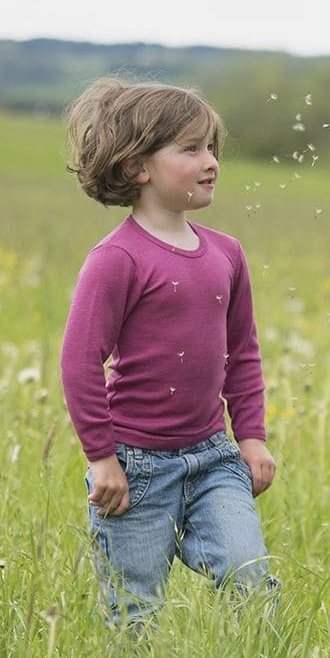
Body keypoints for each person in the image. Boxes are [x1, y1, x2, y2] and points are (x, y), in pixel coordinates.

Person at [60, 77, 280, 629]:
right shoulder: (117, 260)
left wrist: (250, 437)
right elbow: (79, 362)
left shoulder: (227, 254)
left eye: (212, 149)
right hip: (134, 466)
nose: (210, 161)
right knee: (136, 613)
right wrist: (102, 458)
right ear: (138, 167)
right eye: (190, 149)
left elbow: (243, 354)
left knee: (250, 573)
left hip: (214, 458)